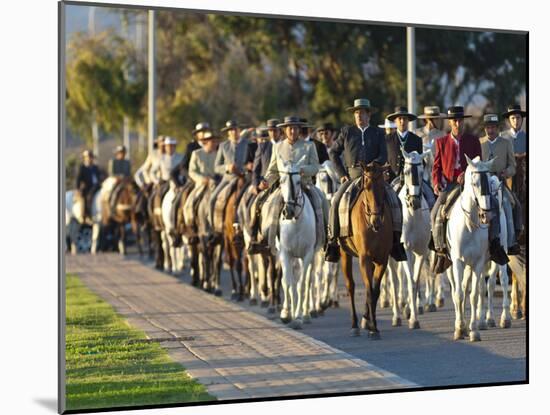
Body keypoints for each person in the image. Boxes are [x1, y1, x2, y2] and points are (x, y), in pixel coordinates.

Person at [325, 98, 406, 262]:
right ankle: (332, 242)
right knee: (335, 202)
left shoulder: (377, 132)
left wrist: (374, 165)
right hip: (353, 177)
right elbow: (333, 153)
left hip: (374, 178)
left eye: (362, 113)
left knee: (395, 200)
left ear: (369, 115)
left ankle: (396, 242)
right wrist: (342, 173)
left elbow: (384, 155)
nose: (359, 116)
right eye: (356, 113)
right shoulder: (347, 132)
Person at [431, 106, 508, 266]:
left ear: (463, 121)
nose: (457, 123)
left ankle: (494, 244)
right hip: (451, 185)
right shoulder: (441, 142)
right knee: (435, 213)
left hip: (473, 185)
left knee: (492, 205)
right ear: (450, 123)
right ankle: (440, 250)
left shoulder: (473, 141)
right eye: (454, 121)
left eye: (459, 120)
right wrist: (437, 183)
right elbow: (436, 167)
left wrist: (466, 173)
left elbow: (478, 163)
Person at [479, 114, 521, 254]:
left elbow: (513, 166)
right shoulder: (480, 143)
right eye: (487, 128)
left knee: (510, 205)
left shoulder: (506, 143)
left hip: (500, 183)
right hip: (482, 185)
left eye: (492, 127)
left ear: (497, 128)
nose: (490, 131)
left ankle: (511, 242)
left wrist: (505, 173)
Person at [209, 120, 249, 241]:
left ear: (239, 131)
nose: (233, 132)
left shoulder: (248, 143)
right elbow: (216, 167)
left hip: (245, 179)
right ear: (228, 133)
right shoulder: (223, 146)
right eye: (230, 130)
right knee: (212, 199)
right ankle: (215, 230)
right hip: (228, 179)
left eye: (235, 129)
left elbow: (253, 160)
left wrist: (248, 166)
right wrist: (227, 167)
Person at [75, 149, 103, 222]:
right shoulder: (82, 167)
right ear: (84, 158)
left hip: (97, 186)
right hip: (88, 188)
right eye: (87, 157)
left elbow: (99, 176)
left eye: (91, 157)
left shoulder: (95, 167)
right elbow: (78, 179)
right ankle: (87, 214)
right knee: (87, 198)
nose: (89, 158)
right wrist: (78, 189)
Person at [107, 145, 132, 216]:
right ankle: (112, 206)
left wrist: (127, 178)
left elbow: (129, 173)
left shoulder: (127, 162)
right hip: (116, 181)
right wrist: (118, 177)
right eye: (120, 153)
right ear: (117, 153)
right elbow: (111, 173)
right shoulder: (113, 161)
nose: (122, 154)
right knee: (114, 191)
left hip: (126, 181)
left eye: (123, 153)